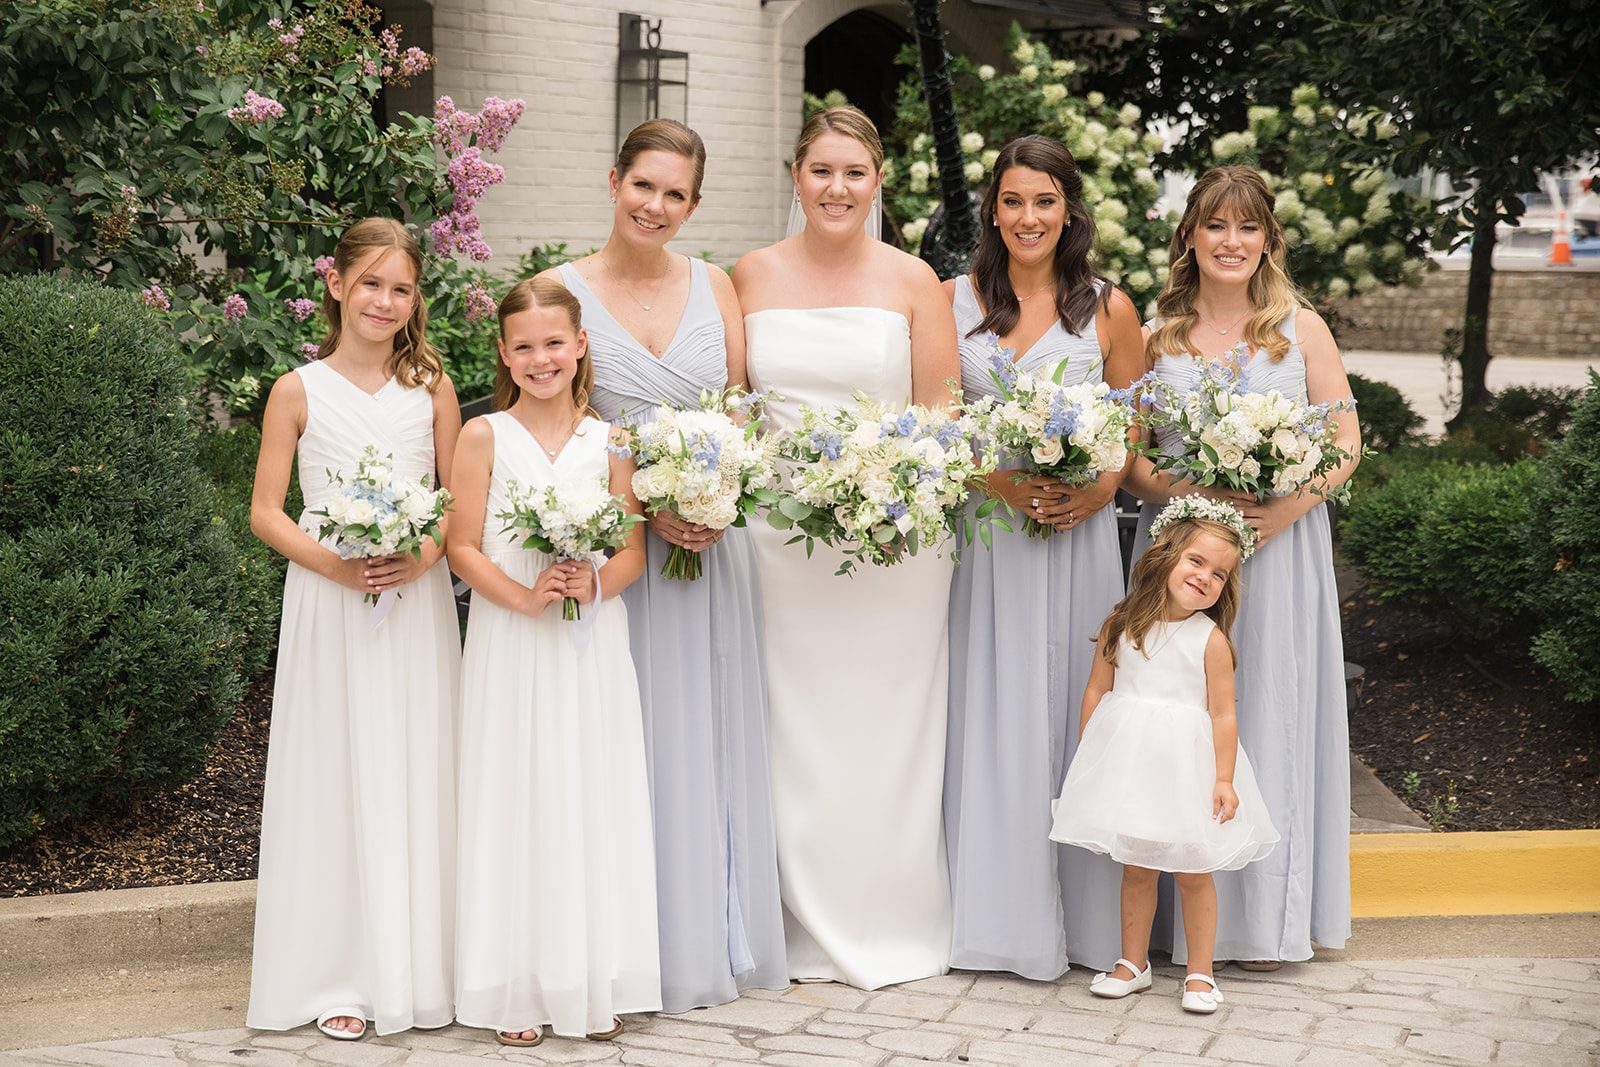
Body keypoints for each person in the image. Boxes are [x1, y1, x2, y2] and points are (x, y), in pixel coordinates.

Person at [544, 119, 786, 1012]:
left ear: (694, 204)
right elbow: (545, 435)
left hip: (711, 554)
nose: (656, 205)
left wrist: (720, 498)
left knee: (705, 743)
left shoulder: (715, 285)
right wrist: (646, 507)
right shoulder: (555, 291)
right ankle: (619, 947)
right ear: (613, 182)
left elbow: (743, 415)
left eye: (675, 193)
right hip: (616, 558)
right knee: (618, 745)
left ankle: (703, 936)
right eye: (643, 185)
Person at [731, 105, 961, 990]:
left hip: (897, 543)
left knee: (889, 722)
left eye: (854, 173)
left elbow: (942, 415)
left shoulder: (914, 282)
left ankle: (893, 914)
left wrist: (887, 486)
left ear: (877, 183)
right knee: (792, 725)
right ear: (797, 176)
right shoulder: (748, 275)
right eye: (821, 171)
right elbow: (736, 408)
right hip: (780, 542)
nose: (837, 188)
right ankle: (792, 917)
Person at [1123, 164, 1360, 969]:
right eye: (1216, 225)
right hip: (1182, 557)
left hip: (1280, 556)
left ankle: (1265, 921)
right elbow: (1137, 467)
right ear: (1189, 234)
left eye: (1248, 226)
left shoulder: (1302, 330)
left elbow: (1346, 445)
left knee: (1266, 711)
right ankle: (1168, 931)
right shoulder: (1157, 337)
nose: (1232, 241)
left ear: (1268, 239)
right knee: (1176, 718)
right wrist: (1187, 496)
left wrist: (1285, 509)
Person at [247, 217, 461, 1040]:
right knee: (335, 770)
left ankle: (422, 966)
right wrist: (337, 567)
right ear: (335, 284)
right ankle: (335, 971)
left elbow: (454, 502)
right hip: (329, 603)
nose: (384, 300)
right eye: (370, 282)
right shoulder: (297, 389)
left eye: (401, 288)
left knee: (414, 762)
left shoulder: (433, 387)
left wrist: (425, 550)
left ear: (415, 302)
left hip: (413, 603)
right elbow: (266, 512)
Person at [942, 135, 1142, 980]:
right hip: (988, 537)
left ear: (1070, 210)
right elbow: (942, 418)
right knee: (989, 705)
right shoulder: (953, 301)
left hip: (1078, 537)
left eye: (1046, 201)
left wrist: (1099, 492)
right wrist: (1000, 484)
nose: (1029, 217)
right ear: (994, 208)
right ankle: (991, 913)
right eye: (1014, 200)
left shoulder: (1109, 308)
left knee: (1075, 705)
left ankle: (1089, 926)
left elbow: (1133, 421)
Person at [447, 277, 658, 1044]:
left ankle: (588, 978)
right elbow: (461, 546)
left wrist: (591, 580)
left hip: (589, 641)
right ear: (504, 353)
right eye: (524, 345)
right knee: (518, 793)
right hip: (513, 639)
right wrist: (519, 594)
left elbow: (633, 552)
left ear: (580, 347)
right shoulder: (484, 436)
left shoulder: (613, 441)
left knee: (585, 792)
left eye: (554, 343)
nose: (541, 358)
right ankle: (516, 987)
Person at [1050, 496, 1278, 1013]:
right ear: (1165, 555)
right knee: (1136, 868)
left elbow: (1223, 715)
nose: (1205, 577)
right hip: (1131, 768)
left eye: (1219, 574)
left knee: (1195, 873)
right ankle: (1134, 964)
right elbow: (1097, 691)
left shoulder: (1209, 640)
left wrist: (1224, 779)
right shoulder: (1121, 624)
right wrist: (1092, 750)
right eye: (1196, 561)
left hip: (1187, 772)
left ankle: (1200, 973)